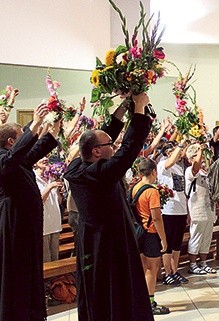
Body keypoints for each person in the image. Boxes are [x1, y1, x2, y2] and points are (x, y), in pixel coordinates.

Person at [64, 94, 154, 321]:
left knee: (98, 290)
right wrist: (140, 109)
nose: (113, 147)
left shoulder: (77, 166)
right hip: (108, 243)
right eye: (109, 146)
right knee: (114, 290)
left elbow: (103, 136)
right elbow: (129, 148)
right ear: (97, 152)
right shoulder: (100, 174)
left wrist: (123, 108)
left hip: (91, 240)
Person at [0, 104, 59, 321]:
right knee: (16, 270)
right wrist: (33, 125)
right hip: (13, 221)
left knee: (30, 269)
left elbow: (33, 151)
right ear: (11, 142)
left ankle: (32, 312)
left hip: (26, 224)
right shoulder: (3, 158)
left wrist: (53, 131)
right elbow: (12, 160)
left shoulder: (18, 159)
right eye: (21, 136)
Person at [132, 158, 170, 315]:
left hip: (138, 231)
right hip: (151, 233)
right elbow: (156, 217)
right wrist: (163, 239)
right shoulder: (152, 191)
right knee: (152, 268)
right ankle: (150, 302)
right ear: (154, 171)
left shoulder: (135, 187)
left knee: (142, 266)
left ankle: (140, 300)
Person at [157, 141, 190, 286]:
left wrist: (187, 211)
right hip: (169, 209)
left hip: (181, 208)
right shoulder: (163, 164)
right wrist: (181, 146)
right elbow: (170, 161)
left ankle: (175, 271)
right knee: (169, 244)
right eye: (172, 149)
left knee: (177, 243)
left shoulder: (179, 167)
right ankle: (167, 273)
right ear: (167, 152)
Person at [185, 143, 218, 275]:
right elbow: (196, 166)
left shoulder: (205, 172)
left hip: (209, 208)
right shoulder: (190, 171)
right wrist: (200, 149)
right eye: (197, 155)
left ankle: (203, 263)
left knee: (207, 237)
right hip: (197, 209)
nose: (202, 157)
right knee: (196, 236)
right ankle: (192, 264)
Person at [34, 157, 64, 262]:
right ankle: (47, 279)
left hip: (55, 221)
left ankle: (56, 278)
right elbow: (39, 201)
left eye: (46, 156)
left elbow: (58, 201)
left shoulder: (52, 176)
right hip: (43, 223)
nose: (46, 158)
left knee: (55, 256)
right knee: (45, 258)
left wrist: (60, 191)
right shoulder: (33, 177)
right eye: (41, 157)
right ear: (35, 162)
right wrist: (50, 187)